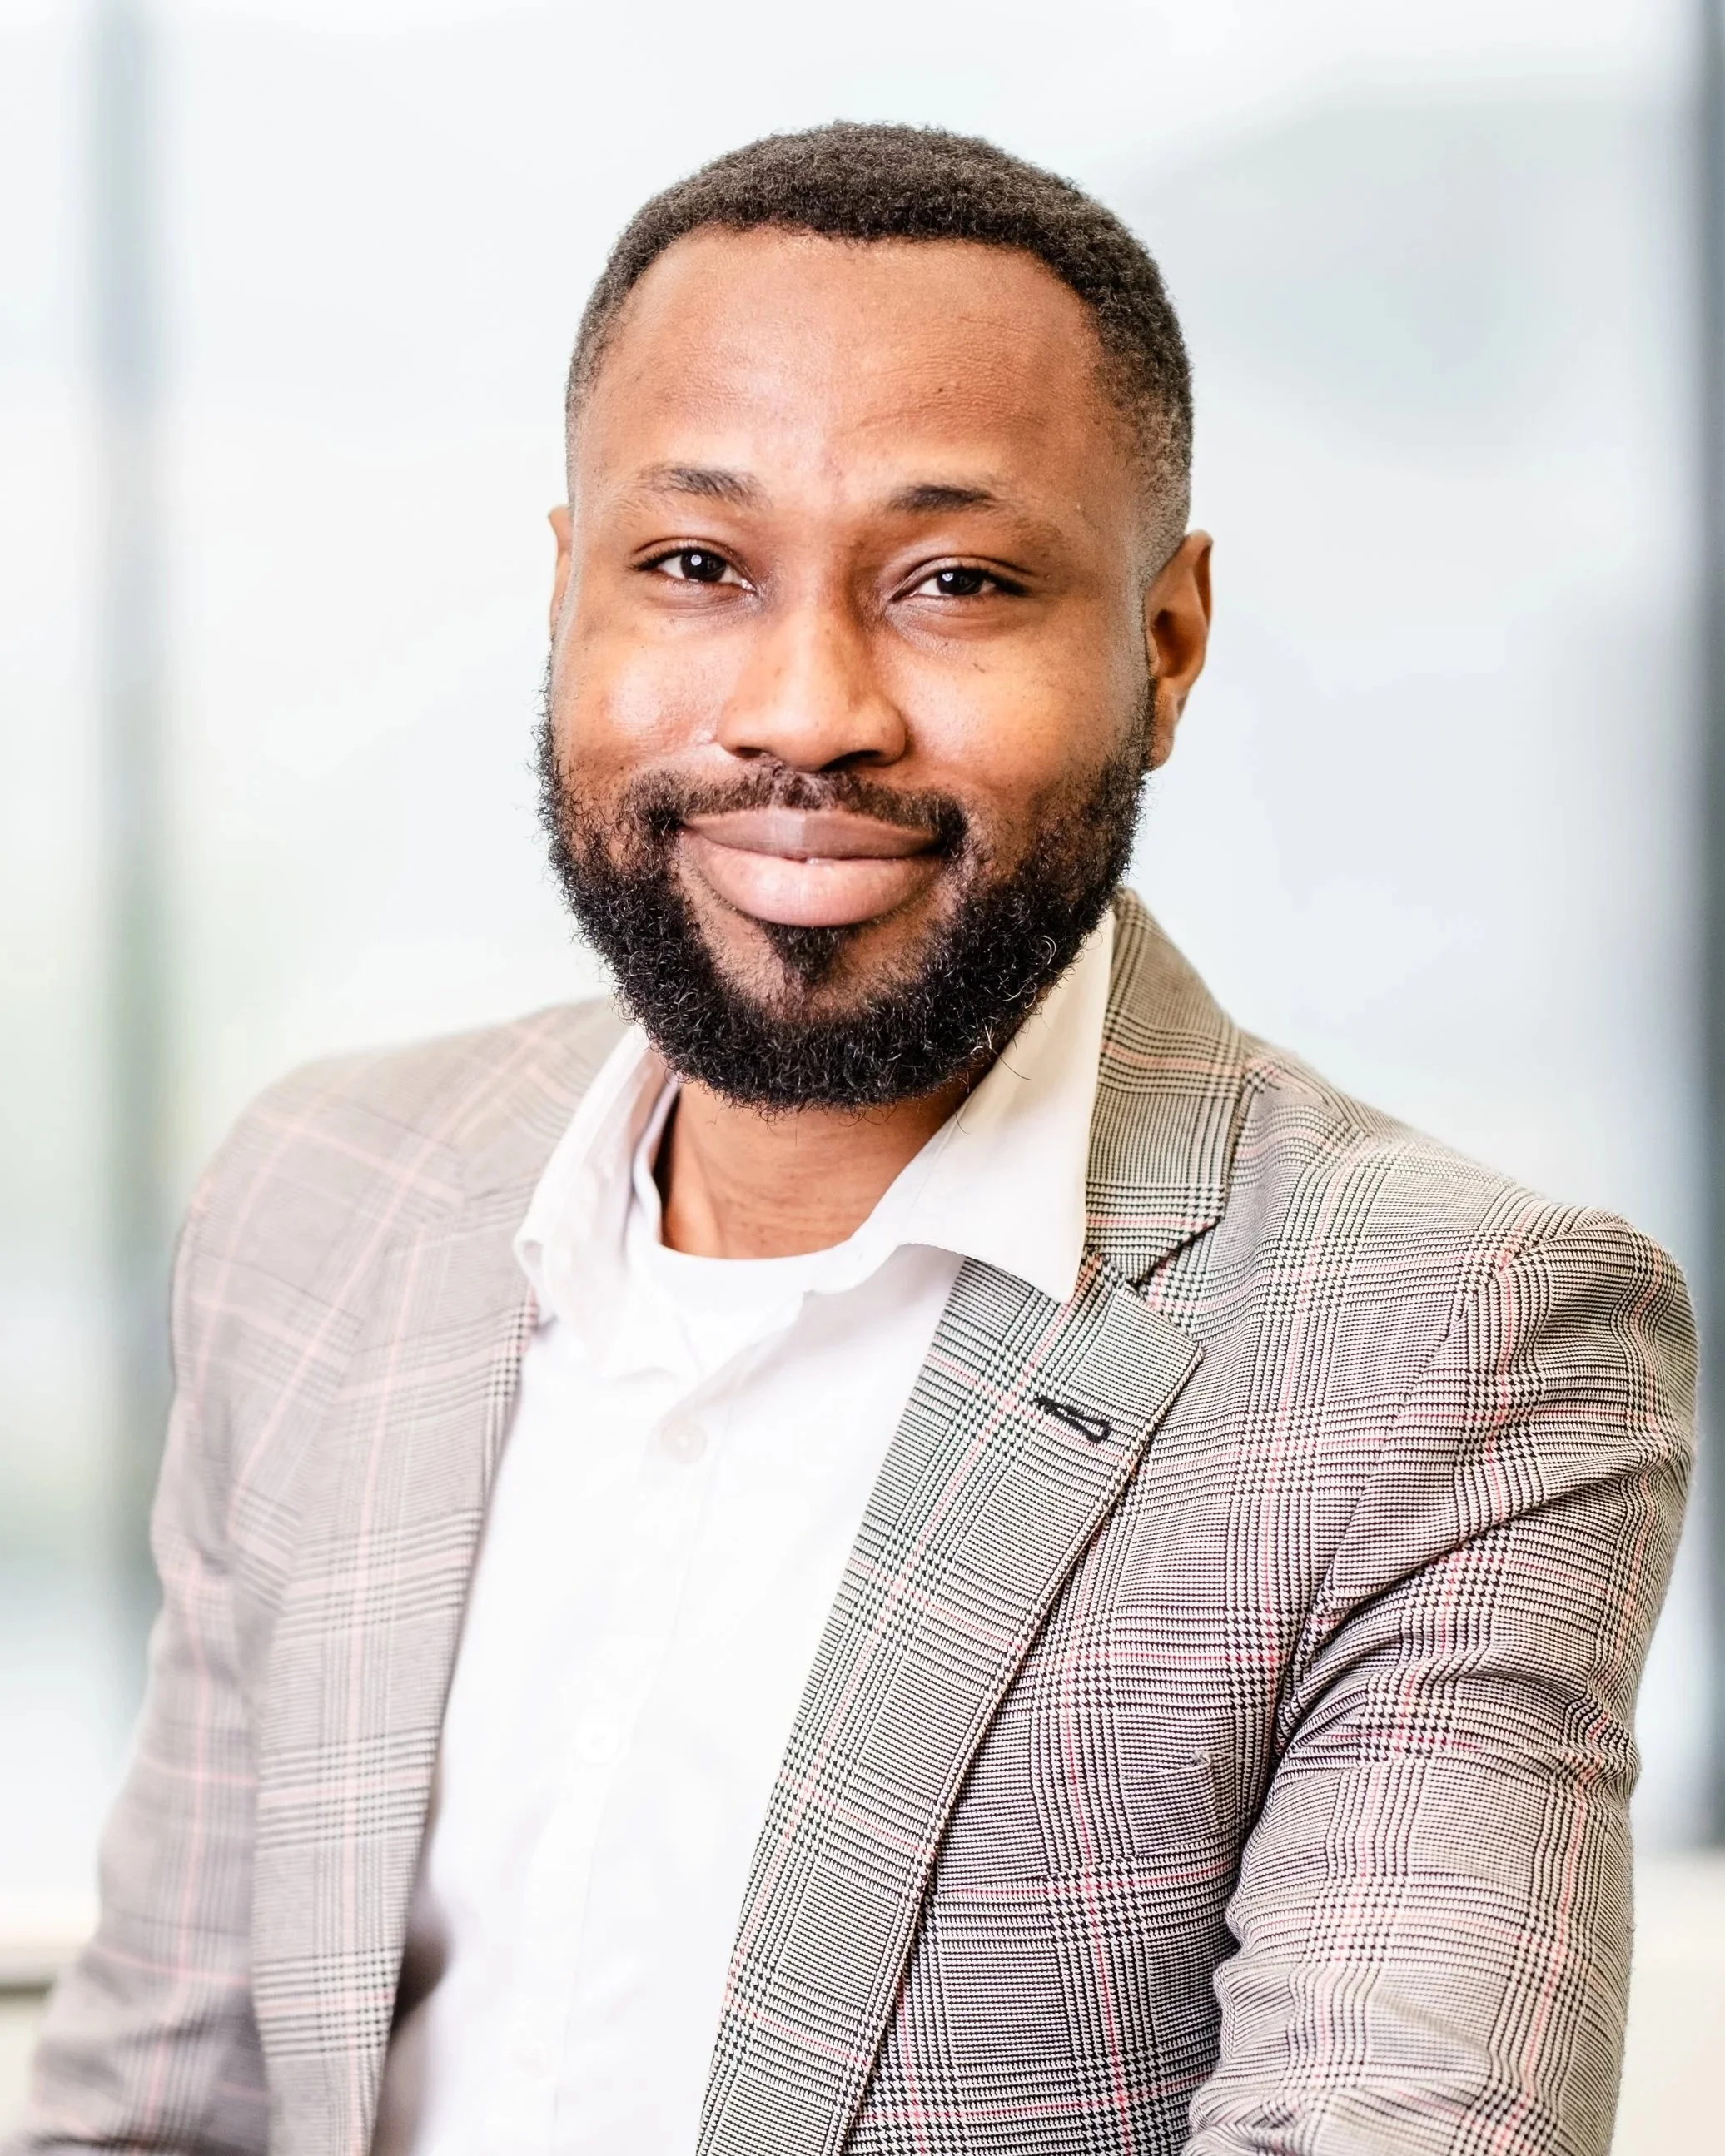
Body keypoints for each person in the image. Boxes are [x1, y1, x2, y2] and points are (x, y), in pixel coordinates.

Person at [12, 124, 1694, 2156]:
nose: (804, 711)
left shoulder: (1454, 1336)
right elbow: (159, 2100)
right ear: (570, 591)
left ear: (1163, 646)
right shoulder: (323, 1196)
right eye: (697, 566)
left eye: (955, 582)